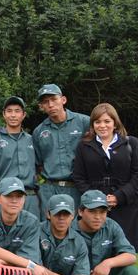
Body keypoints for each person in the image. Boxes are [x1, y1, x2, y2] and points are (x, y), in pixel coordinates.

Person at [73, 103, 138, 253]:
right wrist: (96, 199)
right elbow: (79, 177)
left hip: (125, 207)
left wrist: (119, 196)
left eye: (107, 121)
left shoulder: (130, 143)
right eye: (97, 122)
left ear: (115, 123)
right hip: (95, 209)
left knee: (124, 254)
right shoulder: (83, 146)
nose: (102, 126)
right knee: (96, 252)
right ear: (92, 125)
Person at [32, 84, 90, 214]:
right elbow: (38, 165)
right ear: (42, 106)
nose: (50, 104)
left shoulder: (84, 122)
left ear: (63, 100)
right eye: (46, 102)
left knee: (78, 224)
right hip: (49, 189)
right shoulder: (39, 132)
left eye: (54, 99)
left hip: (77, 188)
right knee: (49, 224)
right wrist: (42, 184)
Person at [38, 194, 93, 275]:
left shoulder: (79, 241)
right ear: (48, 214)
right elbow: (31, 264)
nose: (62, 218)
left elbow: (81, 273)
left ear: (73, 215)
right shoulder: (36, 231)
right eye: (57, 214)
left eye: (66, 214)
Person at [0, 96, 40, 218]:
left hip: (29, 196)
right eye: (9, 111)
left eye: (17, 111)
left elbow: (39, 168)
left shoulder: (32, 140)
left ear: (23, 115)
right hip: (5, 196)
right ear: (4, 114)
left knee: (31, 228)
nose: (13, 115)